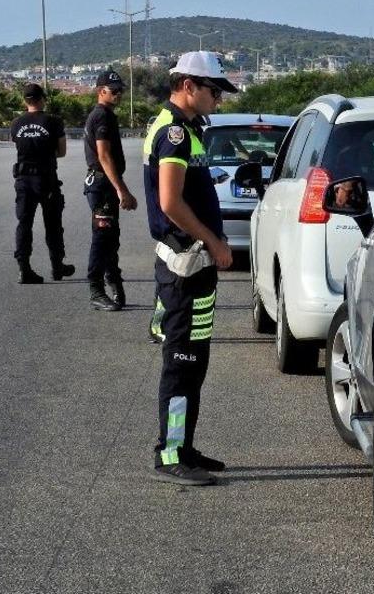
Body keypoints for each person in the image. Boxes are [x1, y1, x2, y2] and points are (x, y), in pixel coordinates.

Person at [144, 51, 236, 485]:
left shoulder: (188, 131)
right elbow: (169, 202)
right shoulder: (175, 134)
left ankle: (185, 445)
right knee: (181, 362)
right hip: (185, 266)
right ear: (188, 86)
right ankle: (170, 452)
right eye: (214, 90)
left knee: (195, 360)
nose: (218, 99)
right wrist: (214, 240)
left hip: (194, 269)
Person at [83, 71, 138, 311]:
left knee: (110, 238)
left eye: (120, 90)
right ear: (100, 91)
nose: (118, 94)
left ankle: (114, 281)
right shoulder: (102, 117)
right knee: (102, 238)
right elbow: (104, 156)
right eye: (113, 90)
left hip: (103, 184)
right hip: (102, 185)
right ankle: (96, 289)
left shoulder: (107, 115)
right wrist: (122, 190)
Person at [9, 83, 74, 284]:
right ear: (43, 99)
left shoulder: (16, 123)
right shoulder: (53, 122)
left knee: (24, 224)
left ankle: (24, 268)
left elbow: (19, 145)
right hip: (46, 180)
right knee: (53, 224)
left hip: (23, 180)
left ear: (24, 101)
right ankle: (57, 266)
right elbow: (61, 152)